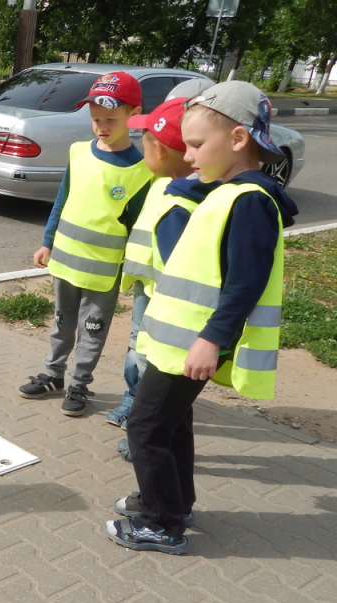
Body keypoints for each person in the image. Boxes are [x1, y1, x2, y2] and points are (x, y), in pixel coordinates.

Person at [106, 81, 298, 554]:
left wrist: (212, 338)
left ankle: (161, 522)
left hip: (193, 342)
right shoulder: (226, 190)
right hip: (177, 340)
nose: (188, 156)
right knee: (170, 426)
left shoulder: (249, 199)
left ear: (237, 141)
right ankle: (173, 501)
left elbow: (245, 282)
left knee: (146, 428)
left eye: (196, 145)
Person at [19, 72, 154, 417]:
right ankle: (53, 375)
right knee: (62, 323)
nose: (101, 126)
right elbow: (62, 201)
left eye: (110, 119)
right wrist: (47, 242)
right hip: (64, 261)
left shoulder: (141, 171)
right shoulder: (79, 153)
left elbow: (137, 227)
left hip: (103, 272)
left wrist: (132, 269)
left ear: (134, 114)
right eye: (95, 119)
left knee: (92, 331)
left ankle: (80, 385)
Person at [108, 96, 220, 460]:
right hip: (149, 288)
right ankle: (144, 424)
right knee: (142, 363)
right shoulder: (166, 184)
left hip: (167, 308)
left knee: (155, 384)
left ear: (164, 148)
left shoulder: (182, 204)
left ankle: (146, 440)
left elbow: (182, 271)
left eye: (146, 139)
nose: (141, 144)